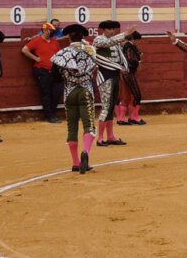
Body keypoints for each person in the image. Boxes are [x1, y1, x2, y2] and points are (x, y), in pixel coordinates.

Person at [50, 23, 99, 174]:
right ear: (82, 37)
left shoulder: (62, 53)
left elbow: (54, 77)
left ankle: (75, 163)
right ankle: (85, 152)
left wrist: (67, 76)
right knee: (88, 125)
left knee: (72, 128)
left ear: (69, 37)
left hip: (69, 93)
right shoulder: (90, 51)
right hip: (85, 91)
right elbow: (97, 66)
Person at [94, 19, 137, 146]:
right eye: (109, 29)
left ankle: (110, 136)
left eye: (114, 29)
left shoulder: (116, 42)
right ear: (103, 30)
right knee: (106, 107)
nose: (112, 31)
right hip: (105, 76)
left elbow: (120, 56)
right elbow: (108, 43)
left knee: (111, 107)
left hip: (115, 76)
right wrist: (124, 34)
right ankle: (100, 138)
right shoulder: (98, 40)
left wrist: (125, 67)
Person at [21, 22, 63, 123]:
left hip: (54, 70)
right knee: (46, 92)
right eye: (51, 30)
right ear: (44, 30)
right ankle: (49, 116)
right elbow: (24, 50)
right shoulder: (37, 40)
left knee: (57, 91)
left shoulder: (54, 41)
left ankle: (52, 113)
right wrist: (35, 58)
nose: (52, 32)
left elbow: (59, 53)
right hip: (41, 70)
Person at [117, 32, 145, 125]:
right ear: (134, 39)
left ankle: (122, 118)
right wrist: (138, 61)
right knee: (137, 95)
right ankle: (133, 117)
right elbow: (130, 59)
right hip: (128, 73)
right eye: (138, 41)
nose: (139, 43)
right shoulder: (129, 46)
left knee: (128, 96)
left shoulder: (128, 46)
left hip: (127, 73)